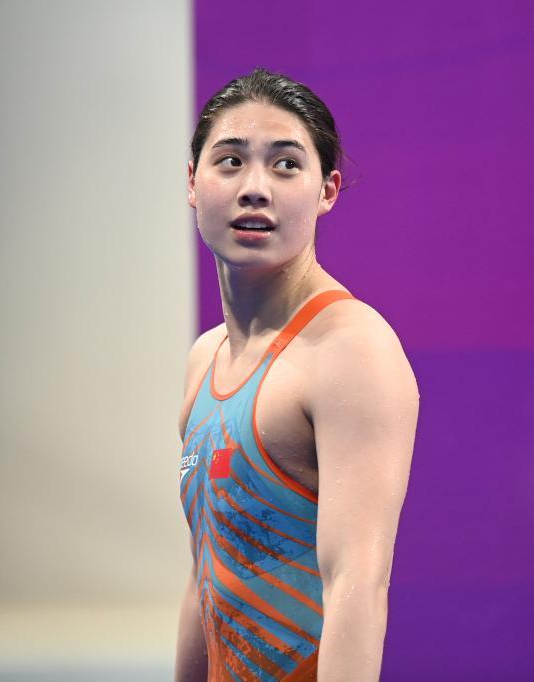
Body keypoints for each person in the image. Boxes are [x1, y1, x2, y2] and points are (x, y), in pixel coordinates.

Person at [174, 68, 419, 682]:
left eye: (286, 165)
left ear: (327, 190)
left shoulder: (350, 350)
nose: (254, 188)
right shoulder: (205, 358)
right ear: (193, 183)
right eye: (230, 162)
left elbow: (357, 583)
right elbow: (207, 578)